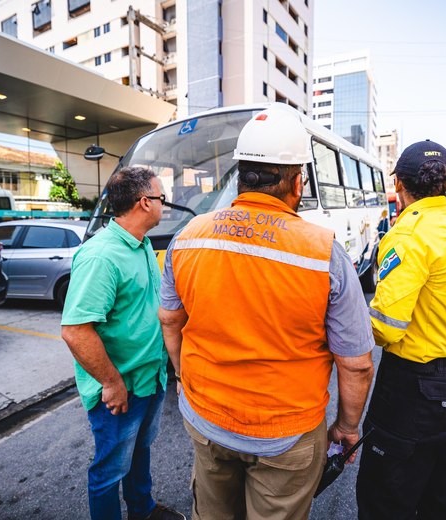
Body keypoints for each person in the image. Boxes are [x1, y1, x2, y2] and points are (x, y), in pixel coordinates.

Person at [159, 106, 375, 520]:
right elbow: (357, 364)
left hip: (206, 419)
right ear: (297, 181)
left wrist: (187, 378)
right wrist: (347, 428)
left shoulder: (187, 237)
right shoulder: (323, 252)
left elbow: (171, 320)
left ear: (240, 175)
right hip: (285, 434)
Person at [356, 140, 446, 519]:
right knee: (438, 495)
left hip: (413, 387)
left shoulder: (408, 235)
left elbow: (386, 328)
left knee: (383, 499)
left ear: (399, 184)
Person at [60, 166, 185, 520]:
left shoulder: (142, 244)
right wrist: (111, 383)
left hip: (149, 378)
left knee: (139, 451)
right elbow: (75, 330)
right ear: (145, 203)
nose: (166, 206)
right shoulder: (102, 255)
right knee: (109, 469)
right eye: (163, 199)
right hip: (120, 389)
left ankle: (142, 510)